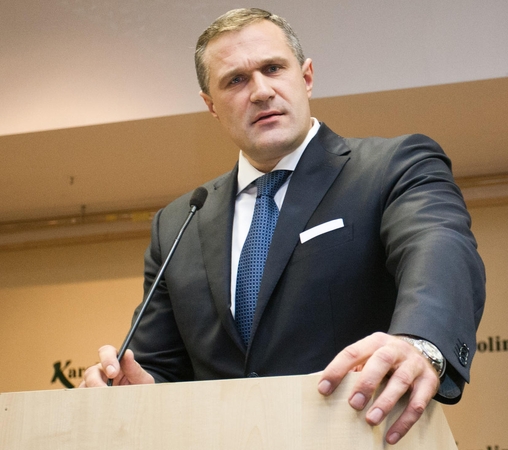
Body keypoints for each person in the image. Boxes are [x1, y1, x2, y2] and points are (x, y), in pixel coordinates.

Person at [82, 8, 486, 445]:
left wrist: (419, 342)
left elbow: (438, 248)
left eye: (273, 68)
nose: (260, 91)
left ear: (306, 77)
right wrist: (136, 389)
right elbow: (160, 367)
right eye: (235, 80)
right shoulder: (180, 221)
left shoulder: (393, 168)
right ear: (211, 105)